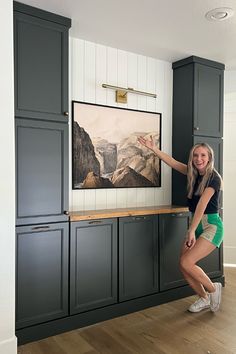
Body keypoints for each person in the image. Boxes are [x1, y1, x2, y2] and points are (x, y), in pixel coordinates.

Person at [138, 136, 224, 313]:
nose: (198, 159)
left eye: (203, 155)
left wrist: (191, 230)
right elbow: (173, 162)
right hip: (195, 223)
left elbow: (202, 205)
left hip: (211, 226)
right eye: (195, 155)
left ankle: (214, 288)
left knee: (187, 261)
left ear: (209, 158)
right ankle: (204, 298)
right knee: (183, 265)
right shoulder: (193, 173)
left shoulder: (214, 178)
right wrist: (153, 149)